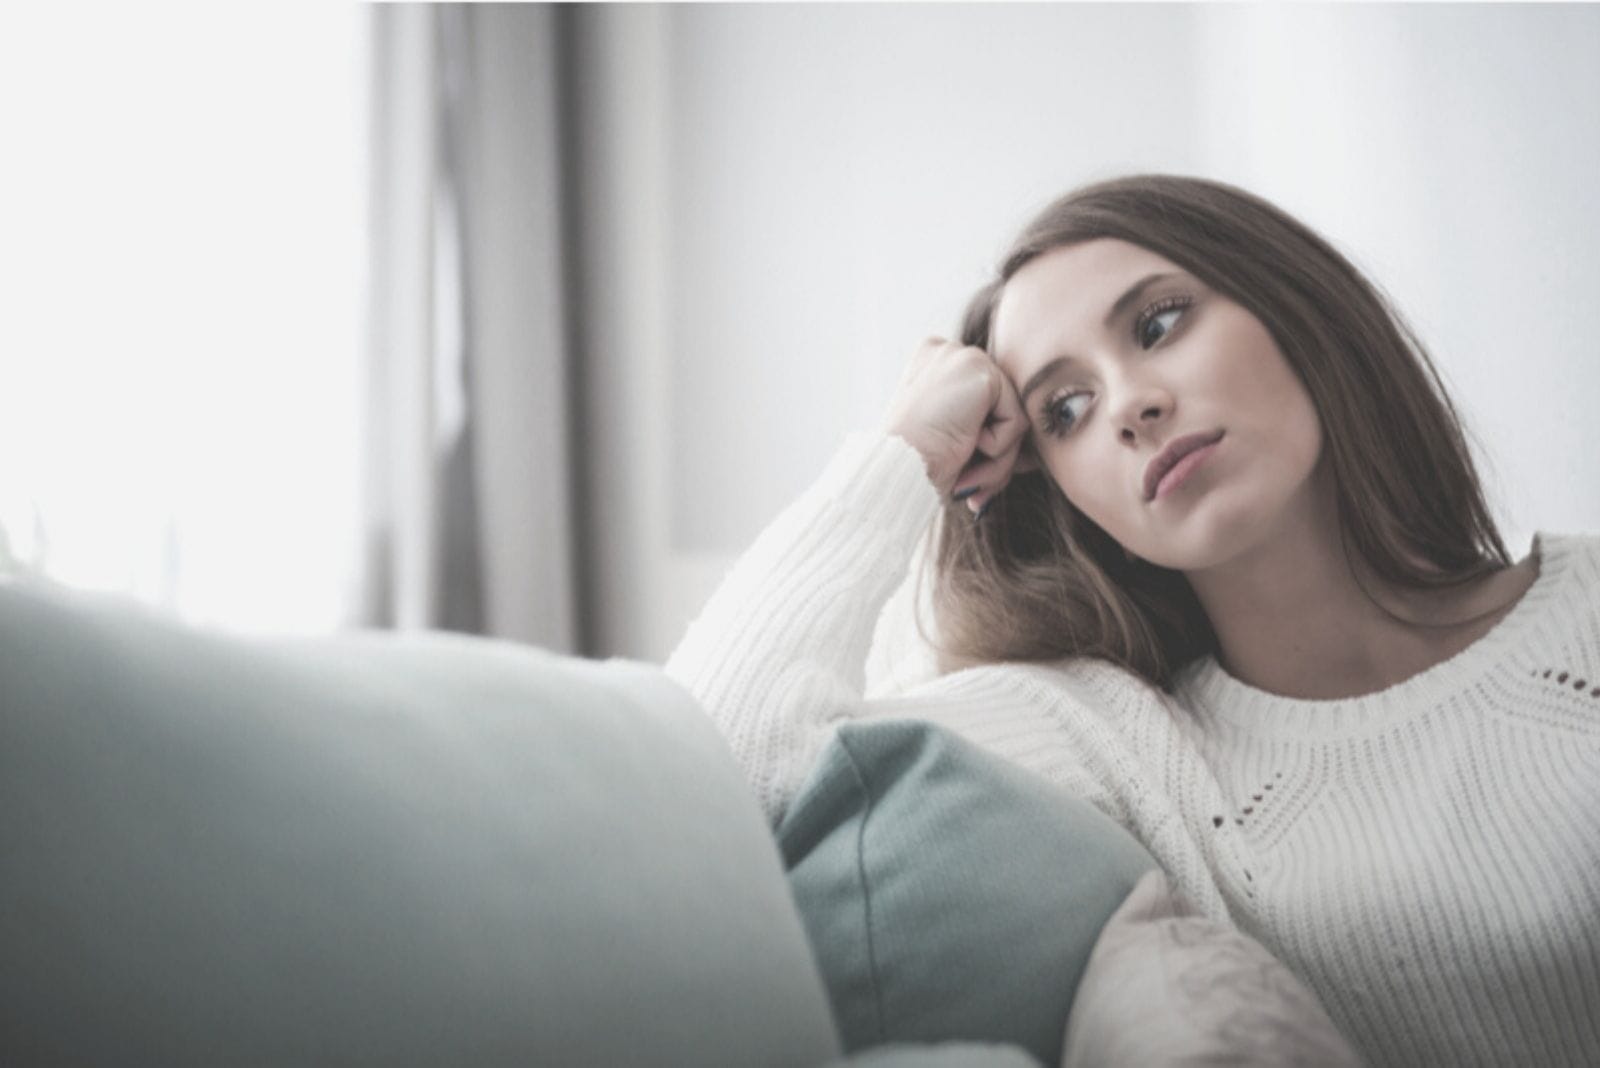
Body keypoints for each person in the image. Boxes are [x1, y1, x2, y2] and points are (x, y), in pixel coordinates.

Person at [664, 174, 1600, 1067]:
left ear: (1289, 304)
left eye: (1158, 324)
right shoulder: (1122, 740)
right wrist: (903, 452)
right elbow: (713, 777)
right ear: (1061, 491)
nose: (1132, 405)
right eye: (1066, 410)